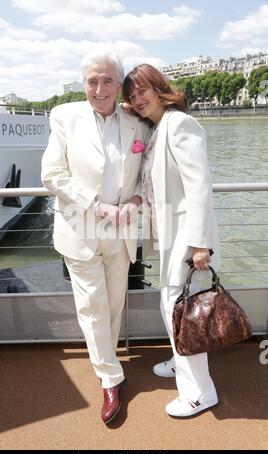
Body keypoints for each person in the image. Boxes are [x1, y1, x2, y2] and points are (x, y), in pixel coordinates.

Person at [41, 49, 150, 424]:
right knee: (92, 307)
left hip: (120, 233)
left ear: (118, 85)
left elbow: (141, 174)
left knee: (114, 305)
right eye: (92, 81)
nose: (99, 88)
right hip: (80, 230)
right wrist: (96, 205)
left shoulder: (135, 120)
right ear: (83, 83)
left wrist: (136, 199)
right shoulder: (64, 116)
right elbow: (52, 175)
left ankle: (107, 362)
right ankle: (109, 377)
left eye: (107, 80)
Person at [122, 64, 220, 418]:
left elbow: (199, 185)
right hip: (171, 236)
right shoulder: (157, 128)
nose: (137, 99)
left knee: (181, 312)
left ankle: (199, 393)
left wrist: (200, 243)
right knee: (174, 308)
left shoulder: (179, 123)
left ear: (159, 87)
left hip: (187, 239)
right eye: (131, 96)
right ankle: (183, 363)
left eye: (142, 91)